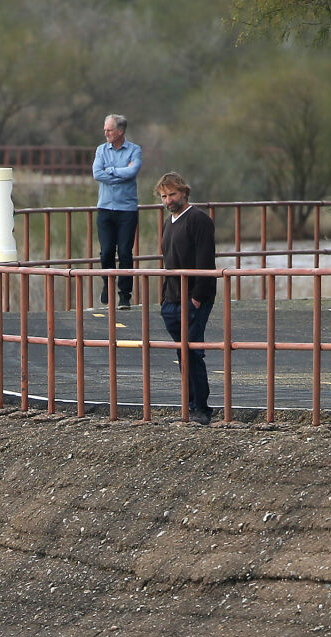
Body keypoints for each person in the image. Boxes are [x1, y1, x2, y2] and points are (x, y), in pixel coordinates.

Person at [155, 172, 216, 425]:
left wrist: (197, 298)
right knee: (183, 354)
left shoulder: (198, 219)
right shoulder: (169, 222)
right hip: (171, 299)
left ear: (184, 192)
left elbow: (205, 260)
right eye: (164, 196)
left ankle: (200, 408)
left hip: (192, 298)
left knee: (192, 352)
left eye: (172, 194)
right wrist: (164, 300)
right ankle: (190, 406)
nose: (168, 200)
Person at [91, 113, 143, 309]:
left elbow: (133, 171)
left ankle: (124, 295)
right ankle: (107, 284)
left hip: (127, 210)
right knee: (106, 252)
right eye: (105, 129)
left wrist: (110, 170)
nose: (105, 133)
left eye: (109, 130)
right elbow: (97, 173)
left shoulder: (134, 150)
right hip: (105, 208)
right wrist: (120, 172)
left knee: (125, 252)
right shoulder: (101, 150)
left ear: (120, 131)